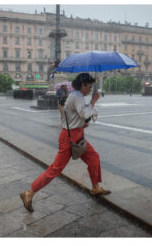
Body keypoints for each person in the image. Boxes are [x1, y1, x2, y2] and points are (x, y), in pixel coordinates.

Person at [20, 73, 110, 212]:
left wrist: (82, 123)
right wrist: (93, 101)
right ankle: (29, 193)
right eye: (89, 87)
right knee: (55, 169)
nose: (90, 90)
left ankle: (95, 187)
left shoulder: (76, 96)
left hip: (77, 135)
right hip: (69, 138)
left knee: (94, 158)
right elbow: (85, 113)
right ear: (82, 85)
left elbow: (78, 116)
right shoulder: (77, 96)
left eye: (92, 87)